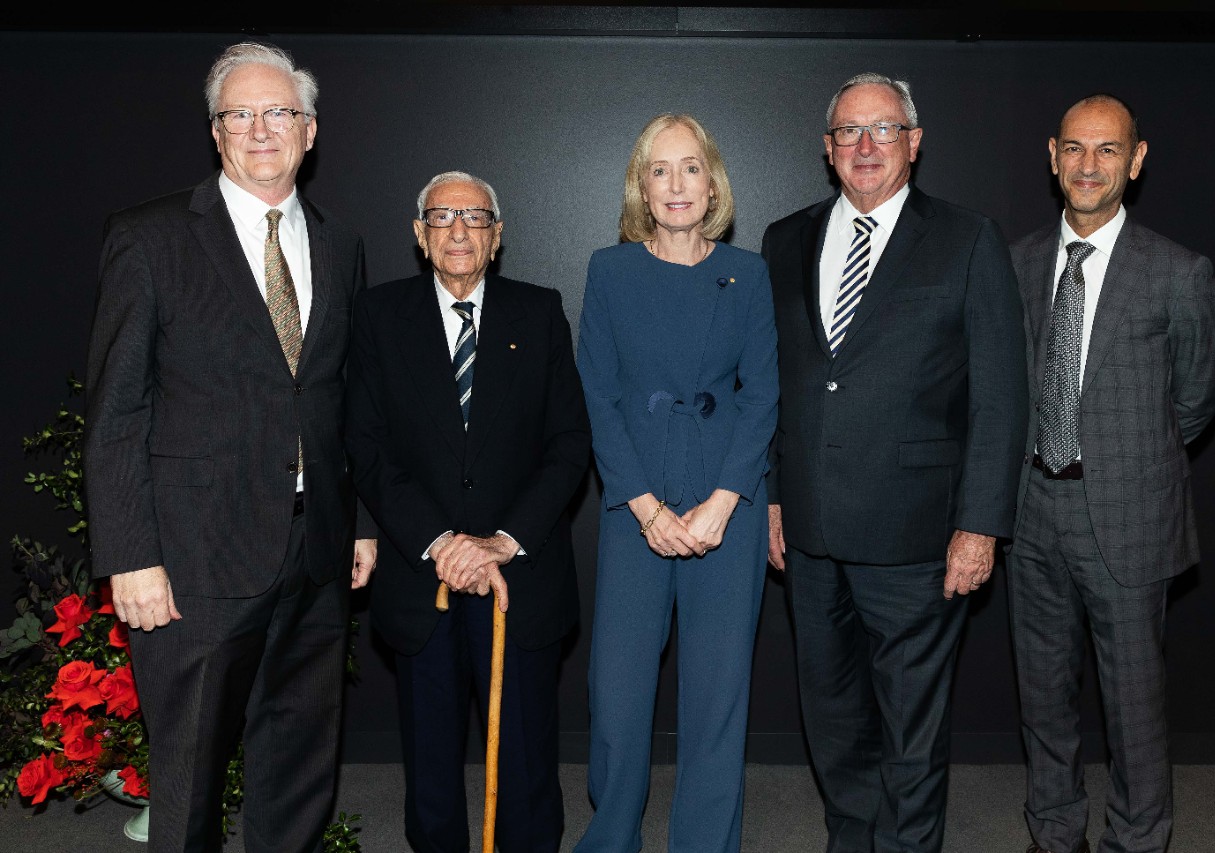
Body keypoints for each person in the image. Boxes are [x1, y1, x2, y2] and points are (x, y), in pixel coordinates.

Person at [83, 42, 376, 851]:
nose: (260, 129)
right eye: (238, 114)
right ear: (215, 133)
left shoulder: (340, 243)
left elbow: (343, 397)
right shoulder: (150, 238)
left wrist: (358, 522)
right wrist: (130, 556)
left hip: (315, 554)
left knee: (300, 767)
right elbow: (117, 410)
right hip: (194, 561)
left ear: (309, 130)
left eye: (278, 112)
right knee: (188, 780)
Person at [761, 72, 1027, 853]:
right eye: (849, 131)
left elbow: (1000, 397)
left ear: (914, 142)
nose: (866, 145)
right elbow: (776, 383)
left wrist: (980, 526)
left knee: (911, 731)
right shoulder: (784, 240)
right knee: (833, 718)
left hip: (918, 538)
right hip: (811, 534)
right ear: (828, 148)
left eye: (884, 129)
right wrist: (773, 496)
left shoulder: (968, 238)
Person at [345, 171, 591, 852]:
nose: (459, 230)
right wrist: (441, 541)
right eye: (442, 217)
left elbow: (569, 442)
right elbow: (366, 445)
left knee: (525, 758)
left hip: (520, 576)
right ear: (419, 234)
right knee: (430, 760)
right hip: (422, 574)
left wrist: (502, 540)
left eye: (476, 217)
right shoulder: (380, 315)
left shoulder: (539, 312)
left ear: (497, 234)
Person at [1007, 94, 1215, 853]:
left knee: (1134, 703)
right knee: (1042, 694)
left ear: (1136, 160)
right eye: (1074, 148)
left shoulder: (1179, 272)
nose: (1088, 165)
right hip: (1031, 511)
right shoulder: (1019, 261)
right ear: (1052, 156)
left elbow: (1193, 403)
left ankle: (1136, 839)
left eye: (1107, 150)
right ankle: (1054, 830)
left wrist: (1127, 459)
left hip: (1129, 517)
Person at [573, 113, 779, 853]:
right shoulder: (610, 270)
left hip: (729, 502)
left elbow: (763, 394)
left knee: (717, 699)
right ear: (641, 185)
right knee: (618, 694)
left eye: (690, 167)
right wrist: (645, 506)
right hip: (636, 504)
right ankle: (611, 838)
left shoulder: (749, 273)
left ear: (712, 182)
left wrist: (725, 502)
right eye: (659, 169)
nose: (676, 184)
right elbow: (596, 395)